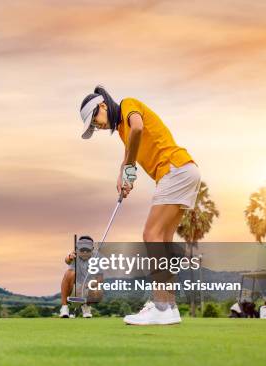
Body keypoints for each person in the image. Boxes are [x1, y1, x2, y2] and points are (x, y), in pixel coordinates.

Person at [79, 85, 201, 325]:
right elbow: (128, 152)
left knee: (150, 234)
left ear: (102, 106)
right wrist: (122, 175)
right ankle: (170, 307)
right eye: (93, 126)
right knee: (162, 241)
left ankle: (161, 305)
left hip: (174, 169)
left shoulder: (127, 105)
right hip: (184, 170)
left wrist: (130, 169)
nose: (97, 127)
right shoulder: (123, 131)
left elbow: (138, 129)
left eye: (95, 121)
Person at [59, 236, 99, 318]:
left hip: (86, 290)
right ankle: (64, 307)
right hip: (72, 289)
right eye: (82, 249)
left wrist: (86, 285)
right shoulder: (73, 255)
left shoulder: (96, 258)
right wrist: (70, 257)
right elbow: (67, 260)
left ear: (92, 248)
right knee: (69, 273)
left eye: (87, 249)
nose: (84, 252)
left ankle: (86, 307)